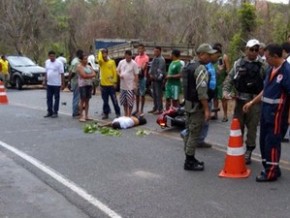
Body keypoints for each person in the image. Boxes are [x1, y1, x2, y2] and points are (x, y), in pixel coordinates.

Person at [243, 43, 290, 182]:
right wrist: (252, 103)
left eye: (267, 57)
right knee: (263, 141)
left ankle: (271, 173)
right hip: (265, 112)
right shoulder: (271, 69)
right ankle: (270, 166)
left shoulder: (286, 72)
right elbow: (266, 91)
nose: (265, 59)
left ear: (275, 56)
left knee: (272, 142)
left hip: (277, 114)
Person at [223, 39, 267, 165]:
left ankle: (249, 151)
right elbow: (229, 79)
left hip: (255, 102)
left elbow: (268, 83)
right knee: (238, 127)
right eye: (251, 49)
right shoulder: (238, 63)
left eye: (256, 50)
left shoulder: (263, 65)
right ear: (246, 49)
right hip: (240, 101)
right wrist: (226, 92)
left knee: (252, 128)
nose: (253, 52)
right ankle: (237, 149)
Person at [182, 43, 216, 171]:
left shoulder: (188, 66)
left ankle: (189, 156)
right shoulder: (201, 69)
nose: (210, 57)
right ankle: (189, 161)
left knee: (189, 131)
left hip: (188, 104)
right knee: (194, 133)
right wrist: (207, 109)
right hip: (197, 106)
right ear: (201, 54)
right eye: (208, 54)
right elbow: (202, 91)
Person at [197, 46, 221, 148]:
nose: (217, 57)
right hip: (204, 97)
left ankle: (200, 139)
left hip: (210, 96)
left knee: (205, 121)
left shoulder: (211, 65)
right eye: (214, 54)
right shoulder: (202, 67)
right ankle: (188, 134)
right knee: (201, 120)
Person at [97, 48, 121, 119]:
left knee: (114, 100)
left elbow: (114, 72)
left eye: (105, 53)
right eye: (102, 53)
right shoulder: (101, 63)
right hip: (103, 85)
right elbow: (100, 59)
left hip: (111, 85)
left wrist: (115, 82)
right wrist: (99, 51)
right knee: (105, 101)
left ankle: (118, 112)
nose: (104, 55)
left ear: (107, 54)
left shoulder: (112, 62)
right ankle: (106, 113)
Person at [212, 43, 231, 122]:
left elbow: (228, 71)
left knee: (223, 99)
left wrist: (226, 81)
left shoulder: (224, 57)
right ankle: (215, 114)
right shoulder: (213, 58)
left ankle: (225, 115)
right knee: (215, 98)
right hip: (214, 81)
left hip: (222, 81)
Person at [117, 50, 139, 117]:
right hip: (123, 86)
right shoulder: (121, 62)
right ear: (125, 56)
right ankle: (126, 114)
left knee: (130, 102)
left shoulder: (134, 63)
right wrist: (120, 75)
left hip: (130, 86)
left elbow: (136, 75)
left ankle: (129, 114)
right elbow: (117, 70)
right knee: (124, 102)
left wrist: (135, 85)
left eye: (130, 57)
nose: (128, 58)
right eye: (127, 57)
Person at [44, 50, 64, 118]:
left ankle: (55, 112)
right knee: (49, 98)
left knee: (56, 98)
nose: (52, 57)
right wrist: (45, 81)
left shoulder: (59, 63)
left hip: (57, 84)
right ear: (49, 56)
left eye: (53, 56)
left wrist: (62, 83)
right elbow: (46, 72)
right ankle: (49, 111)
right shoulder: (47, 62)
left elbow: (62, 73)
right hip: (49, 83)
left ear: (55, 56)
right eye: (51, 56)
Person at [76, 53, 96, 122]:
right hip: (82, 85)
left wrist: (88, 75)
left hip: (89, 84)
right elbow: (83, 76)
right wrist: (90, 75)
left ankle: (86, 115)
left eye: (86, 59)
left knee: (87, 100)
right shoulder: (79, 67)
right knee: (82, 100)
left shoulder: (89, 67)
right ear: (81, 60)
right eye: (84, 59)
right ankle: (81, 115)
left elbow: (94, 73)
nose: (86, 60)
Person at [148, 46, 166, 115]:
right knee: (154, 94)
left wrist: (155, 77)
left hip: (158, 80)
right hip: (153, 79)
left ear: (160, 51)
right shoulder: (155, 58)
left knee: (158, 95)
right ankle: (155, 107)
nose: (155, 52)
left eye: (157, 51)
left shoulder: (161, 59)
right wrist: (150, 74)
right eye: (154, 51)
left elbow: (160, 70)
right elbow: (151, 67)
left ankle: (160, 109)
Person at [133, 44, 149, 116]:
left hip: (142, 77)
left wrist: (139, 68)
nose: (140, 50)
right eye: (139, 49)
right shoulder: (136, 57)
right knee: (137, 94)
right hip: (137, 77)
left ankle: (141, 110)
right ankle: (137, 109)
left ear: (144, 49)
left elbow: (143, 67)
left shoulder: (146, 57)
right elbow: (134, 66)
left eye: (141, 49)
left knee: (142, 94)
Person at [69, 49, 83, 118]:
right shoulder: (77, 62)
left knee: (76, 96)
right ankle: (75, 112)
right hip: (76, 81)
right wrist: (69, 80)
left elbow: (70, 71)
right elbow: (73, 72)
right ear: (80, 55)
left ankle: (76, 110)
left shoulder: (74, 61)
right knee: (77, 97)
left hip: (74, 81)